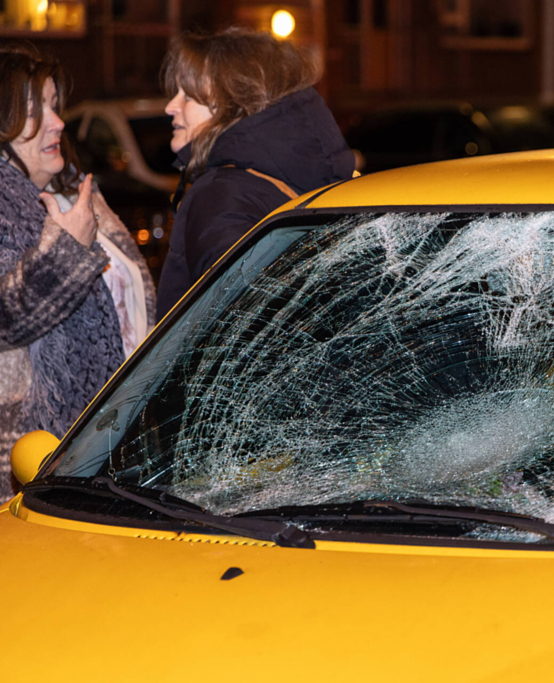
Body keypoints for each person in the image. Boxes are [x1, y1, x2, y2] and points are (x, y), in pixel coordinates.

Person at [1, 45, 156, 498]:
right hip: (38, 452)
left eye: (54, 105)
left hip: (116, 437)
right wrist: (68, 251)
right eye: (36, 111)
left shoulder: (73, 188)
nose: (58, 122)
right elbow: (7, 316)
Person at [155, 28, 356, 318]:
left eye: (188, 96)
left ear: (234, 103)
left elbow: (241, 328)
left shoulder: (220, 198)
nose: (170, 107)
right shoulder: (299, 180)